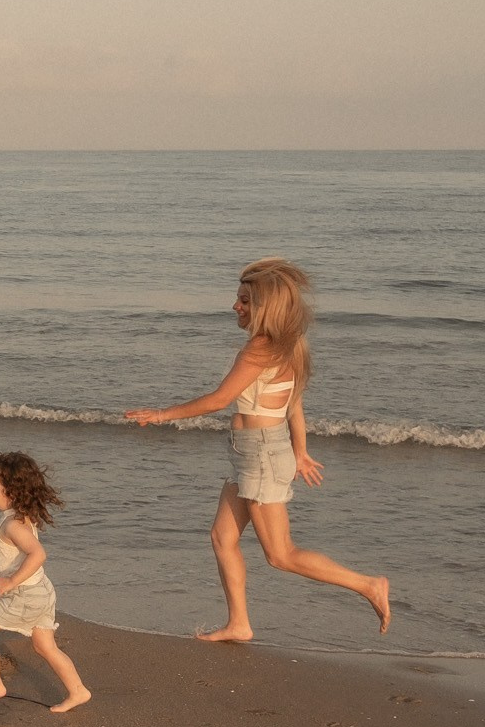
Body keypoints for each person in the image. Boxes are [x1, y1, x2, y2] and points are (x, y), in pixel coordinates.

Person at [125, 258, 389, 640]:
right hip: (257, 452)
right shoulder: (288, 345)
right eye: (238, 298)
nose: (236, 306)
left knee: (280, 554)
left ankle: (368, 585)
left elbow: (220, 400)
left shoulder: (258, 352)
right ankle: (239, 624)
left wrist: (162, 414)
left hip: (261, 455)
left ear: (265, 307)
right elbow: (293, 404)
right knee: (222, 538)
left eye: (245, 301)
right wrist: (299, 450)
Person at [0, 451, 91, 713]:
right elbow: (2, 554)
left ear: (11, 493)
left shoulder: (13, 525)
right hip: (40, 592)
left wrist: (11, 581)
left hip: (25, 595)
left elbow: (38, 554)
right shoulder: (16, 518)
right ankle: (78, 690)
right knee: (45, 646)